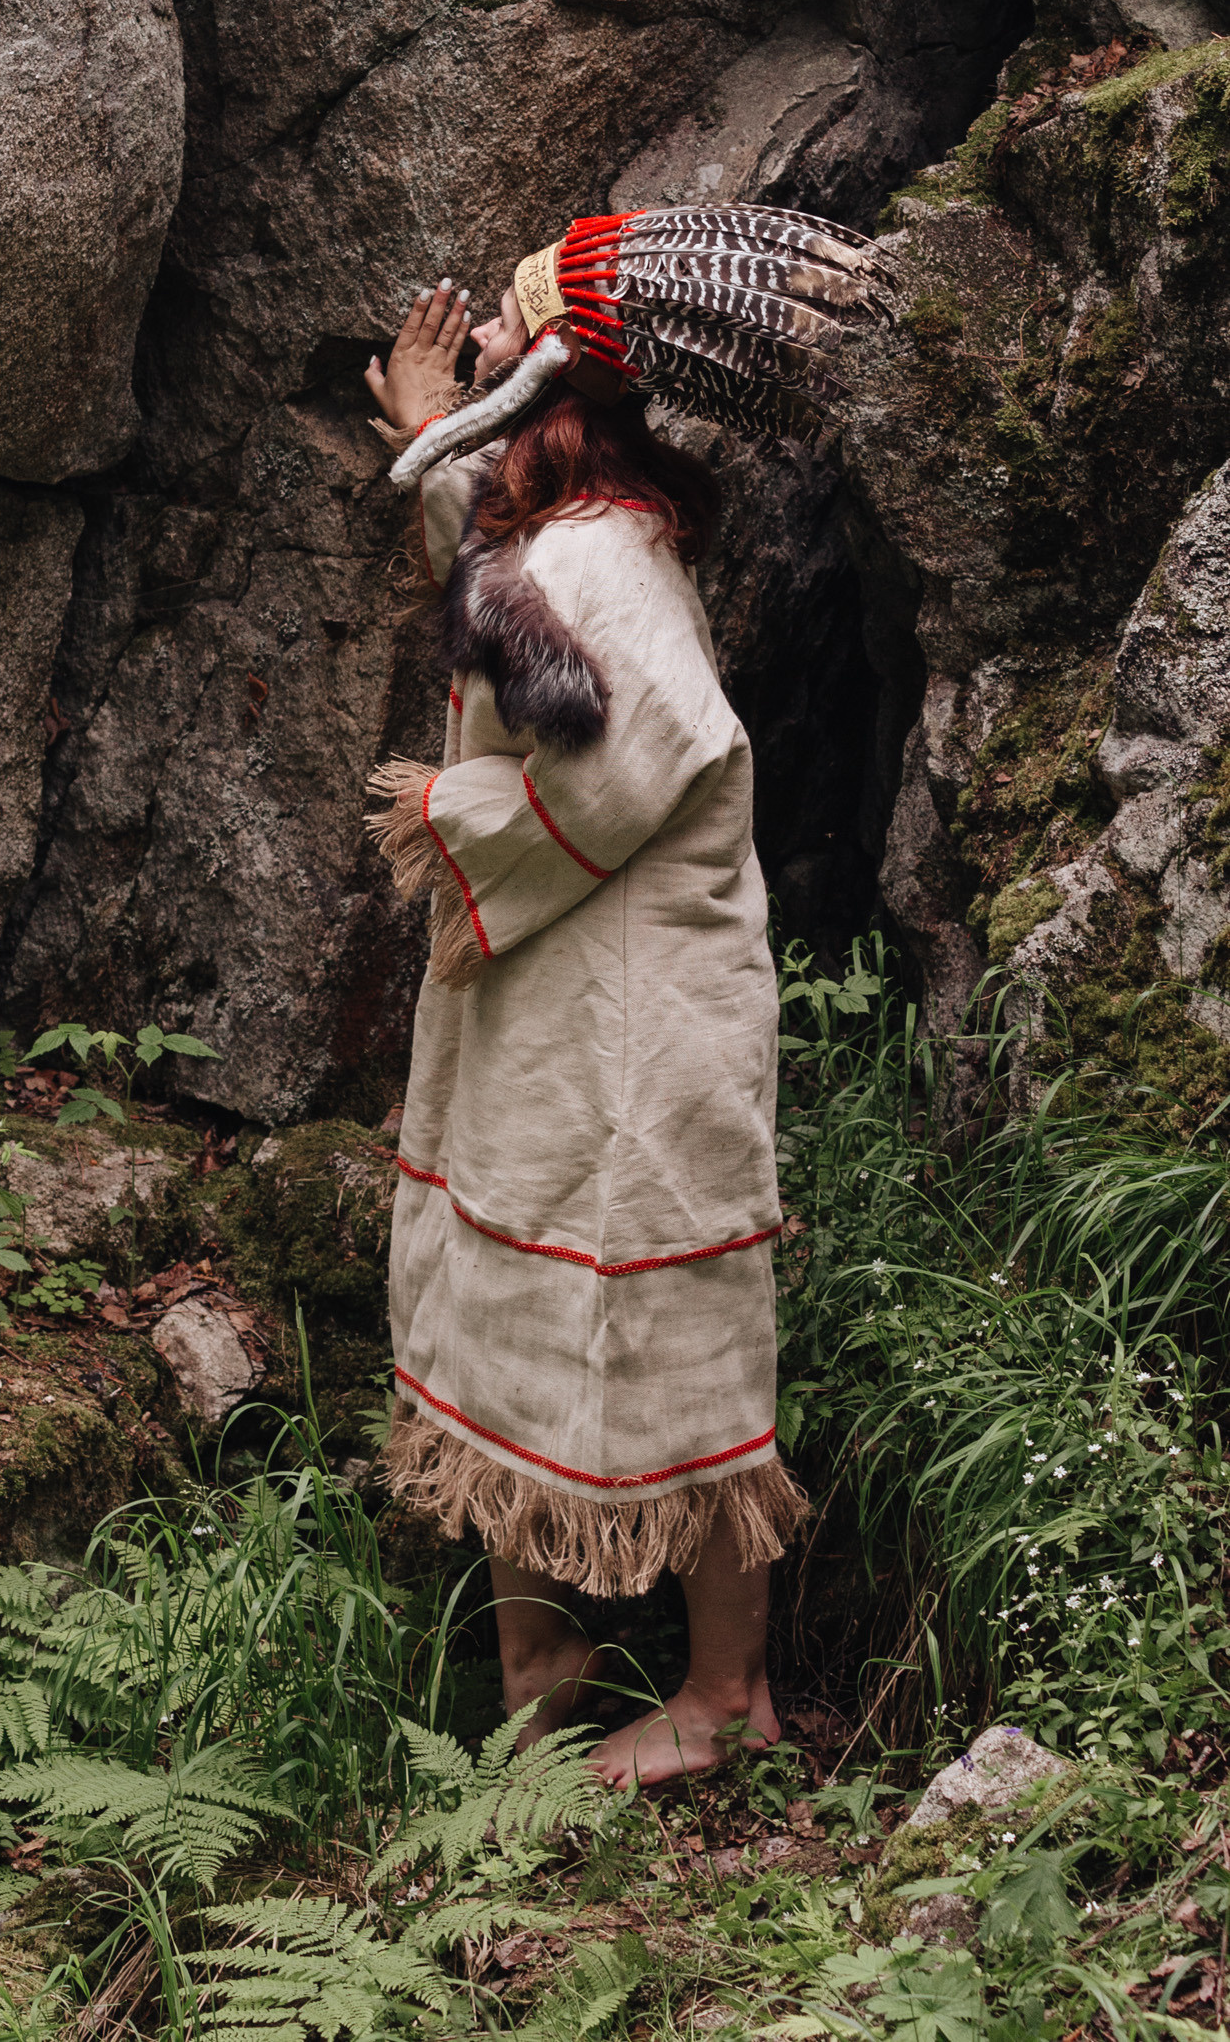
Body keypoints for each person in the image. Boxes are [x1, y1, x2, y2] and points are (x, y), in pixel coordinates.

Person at [360, 205, 890, 1790]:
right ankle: (545, 1657)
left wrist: (444, 824)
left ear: (554, 411)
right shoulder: (557, 545)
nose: (480, 383)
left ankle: (726, 1695)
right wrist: (423, 439)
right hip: (550, 1003)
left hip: (633, 1017)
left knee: (662, 1309)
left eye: (499, 367)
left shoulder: (599, 555)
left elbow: (633, 750)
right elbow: (507, 625)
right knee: (499, 1284)